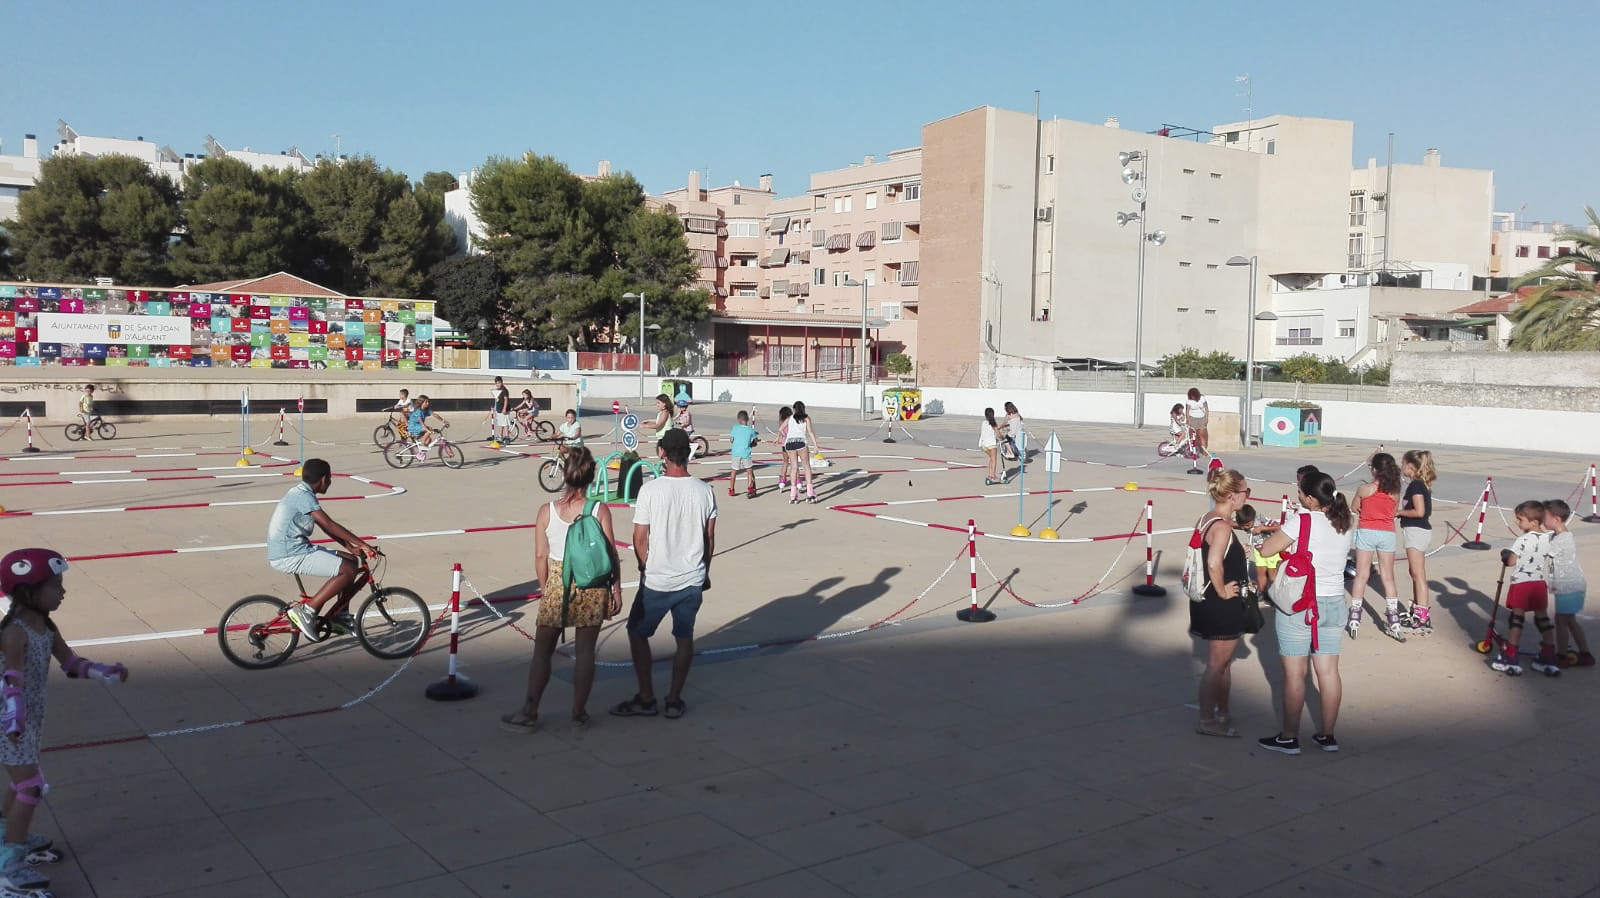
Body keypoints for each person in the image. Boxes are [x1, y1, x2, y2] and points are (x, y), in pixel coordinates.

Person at [1, 548, 129, 895]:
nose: (62, 592)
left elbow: (70, 662)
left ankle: (9, 835)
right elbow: (11, 679)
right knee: (30, 786)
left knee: (20, 782)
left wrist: (104, 672)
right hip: (10, 722)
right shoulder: (14, 632)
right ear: (29, 591)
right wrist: (15, 719)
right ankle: (8, 866)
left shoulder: (44, 625)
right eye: (55, 585)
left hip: (27, 719)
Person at [500, 448, 623, 733]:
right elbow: (611, 553)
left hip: (558, 581)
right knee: (586, 651)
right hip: (592, 584)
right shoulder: (599, 510)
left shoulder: (547, 511)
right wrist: (615, 589)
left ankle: (530, 710)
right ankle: (578, 713)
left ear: (565, 476)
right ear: (591, 477)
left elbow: (541, 556)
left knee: (543, 651)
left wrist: (546, 588)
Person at [611, 429, 717, 720]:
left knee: (637, 632)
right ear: (688, 454)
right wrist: (704, 570)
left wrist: (645, 566)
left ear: (662, 453)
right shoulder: (705, 491)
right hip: (692, 578)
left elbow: (639, 538)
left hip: (658, 580)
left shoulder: (650, 490)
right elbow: (709, 537)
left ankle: (646, 696)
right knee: (684, 638)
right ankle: (673, 699)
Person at [1256, 471, 1354, 755]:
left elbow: (1267, 549)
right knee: (1328, 672)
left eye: (1301, 493)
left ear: (1311, 498)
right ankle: (1327, 735)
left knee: (1295, 676)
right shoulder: (1345, 521)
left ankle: (1289, 737)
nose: (1298, 496)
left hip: (1301, 603)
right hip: (1334, 601)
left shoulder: (1302, 520)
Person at [269, 459, 380, 641]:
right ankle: (308, 611)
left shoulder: (302, 492)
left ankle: (340, 616)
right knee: (347, 570)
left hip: (295, 548)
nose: (330, 482)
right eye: (329, 478)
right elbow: (329, 523)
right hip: (288, 554)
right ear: (323, 479)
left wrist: (350, 547)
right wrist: (364, 544)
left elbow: (325, 527)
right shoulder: (303, 496)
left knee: (351, 561)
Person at [1190, 467, 1251, 738]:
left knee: (1223, 662)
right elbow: (1214, 563)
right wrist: (1224, 591)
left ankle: (1222, 712)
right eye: (1245, 492)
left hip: (1208, 601)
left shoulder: (1208, 517)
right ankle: (1207, 720)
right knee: (1216, 664)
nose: (1247, 497)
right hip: (1220, 603)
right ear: (1233, 496)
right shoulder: (1223, 525)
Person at [1495, 500, 1559, 676]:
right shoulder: (1549, 538)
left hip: (1522, 583)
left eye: (1520, 519)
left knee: (1517, 619)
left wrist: (1505, 556)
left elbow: (1511, 561)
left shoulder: (1522, 540)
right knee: (1542, 619)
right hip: (1538, 583)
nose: (1517, 522)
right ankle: (1549, 653)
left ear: (1534, 522)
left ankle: (1511, 654)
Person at [1347, 452, 1406, 641]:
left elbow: (1354, 507)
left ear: (1374, 470)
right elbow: (1393, 511)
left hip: (1366, 530)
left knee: (1362, 573)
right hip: (1387, 533)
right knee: (1388, 576)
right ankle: (1393, 617)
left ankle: (1355, 615)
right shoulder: (1395, 492)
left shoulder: (1365, 489)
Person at [1544, 499, 1593, 668]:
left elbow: (1545, 553)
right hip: (1570, 586)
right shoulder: (1558, 535)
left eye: (1545, 517)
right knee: (1569, 620)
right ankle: (1585, 653)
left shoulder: (1562, 539)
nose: (1543, 521)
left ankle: (1562, 655)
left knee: (1561, 621)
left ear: (1556, 519)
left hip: (1569, 586)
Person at [1396, 450, 1436, 635]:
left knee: (1418, 573)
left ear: (1410, 466)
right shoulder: (1418, 485)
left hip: (1416, 530)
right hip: (1414, 530)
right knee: (1414, 571)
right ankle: (1417, 608)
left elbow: (1419, 511)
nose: (1401, 467)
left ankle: (1422, 615)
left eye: (1403, 463)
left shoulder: (1416, 486)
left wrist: (1398, 512)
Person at [1237, 504, 1281, 595]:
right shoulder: (1242, 520)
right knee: (1260, 574)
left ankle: (1276, 595)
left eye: (1248, 525)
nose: (1246, 528)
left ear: (1254, 518)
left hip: (1270, 550)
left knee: (1272, 576)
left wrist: (1262, 528)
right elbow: (1230, 522)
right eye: (1243, 526)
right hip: (1258, 551)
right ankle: (1263, 593)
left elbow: (1278, 527)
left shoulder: (1261, 519)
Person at [784, 400, 817, 504]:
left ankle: (793, 495)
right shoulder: (806, 418)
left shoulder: (789, 418)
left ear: (794, 409)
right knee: (806, 466)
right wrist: (815, 445)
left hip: (789, 443)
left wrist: (787, 436)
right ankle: (810, 493)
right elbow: (810, 432)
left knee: (794, 467)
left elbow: (781, 429)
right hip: (800, 442)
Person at [728, 410, 758, 498]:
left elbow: (731, 440)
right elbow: (755, 441)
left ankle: (732, 489)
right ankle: (750, 488)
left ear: (739, 420)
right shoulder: (751, 430)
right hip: (746, 452)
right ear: (747, 419)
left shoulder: (734, 428)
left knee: (734, 471)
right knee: (749, 471)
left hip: (736, 452)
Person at [980, 407, 1003, 485]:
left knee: (991, 459)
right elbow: (998, 434)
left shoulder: (984, 422)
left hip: (983, 444)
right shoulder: (993, 423)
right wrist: (1002, 438)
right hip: (991, 444)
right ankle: (993, 476)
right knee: (994, 460)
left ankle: (990, 475)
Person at [774, 405, 793, 493]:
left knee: (785, 462)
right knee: (794, 463)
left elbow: (779, 431)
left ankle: (782, 480)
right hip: (792, 444)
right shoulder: (792, 421)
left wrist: (777, 438)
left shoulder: (781, 421)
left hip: (784, 444)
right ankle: (797, 480)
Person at [1185, 388, 1210, 456]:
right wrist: (1188, 420)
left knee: (1202, 435)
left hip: (1201, 418)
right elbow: (1187, 411)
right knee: (1193, 436)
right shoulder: (1189, 401)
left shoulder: (1202, 398)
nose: (1192, 398)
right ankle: (1194, 450)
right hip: (1192, 418)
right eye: (1191, 396)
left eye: (1193, 396)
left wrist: (1206, 418)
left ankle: (1204, 451)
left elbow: (1206, 409)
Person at [490, 376, 512, 442]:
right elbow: (497, 400)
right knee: (500, 424)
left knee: (505, 424)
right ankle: (500, 436)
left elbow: (506, 400)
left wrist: (504, 408)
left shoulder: (504, 390)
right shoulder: (498, 391)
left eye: (499, 383)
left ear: (502, 382)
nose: (497, 384)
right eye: (496, 383)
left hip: (504, 410)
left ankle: (507, 437)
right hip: (499, 409)